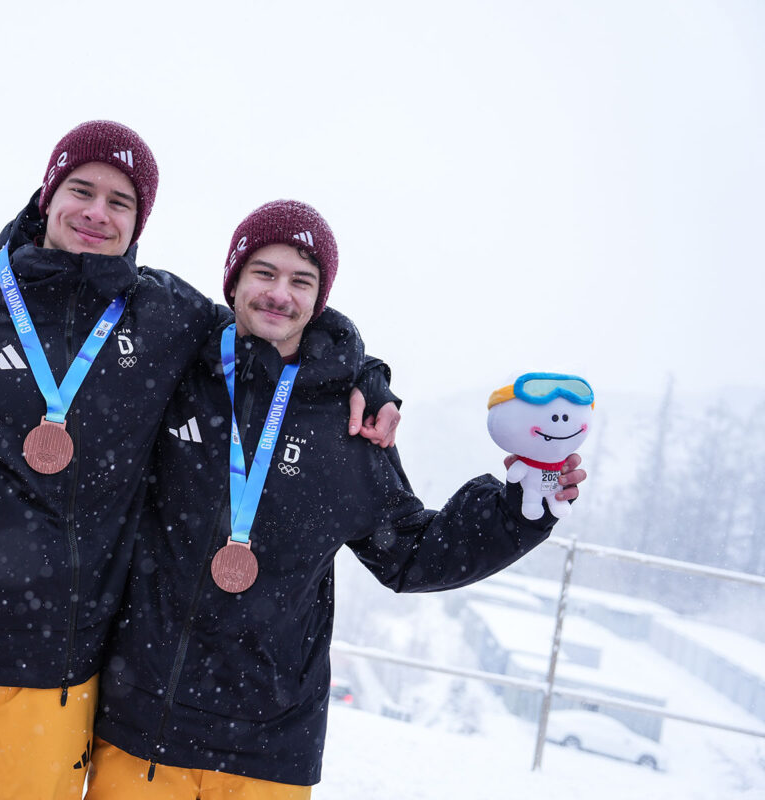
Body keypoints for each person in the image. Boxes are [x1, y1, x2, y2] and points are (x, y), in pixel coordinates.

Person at [0, 122, 395, 800]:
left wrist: (362, 371)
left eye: (121, 202)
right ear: (47, 196)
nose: (96, 212)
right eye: (81, 190)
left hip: (56, 677)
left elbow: (270, 330)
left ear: (139, 224)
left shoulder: (167, 320)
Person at [81, 200, 588, 799]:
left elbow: (409, 554)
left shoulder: (346, 424)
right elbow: (84, 297)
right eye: (264, 273)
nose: (280, 294)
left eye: (302, 281)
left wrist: (515, 511)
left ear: (319, 300)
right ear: (234, 280)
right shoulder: (178, 372)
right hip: (141, 727)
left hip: (268, 748)